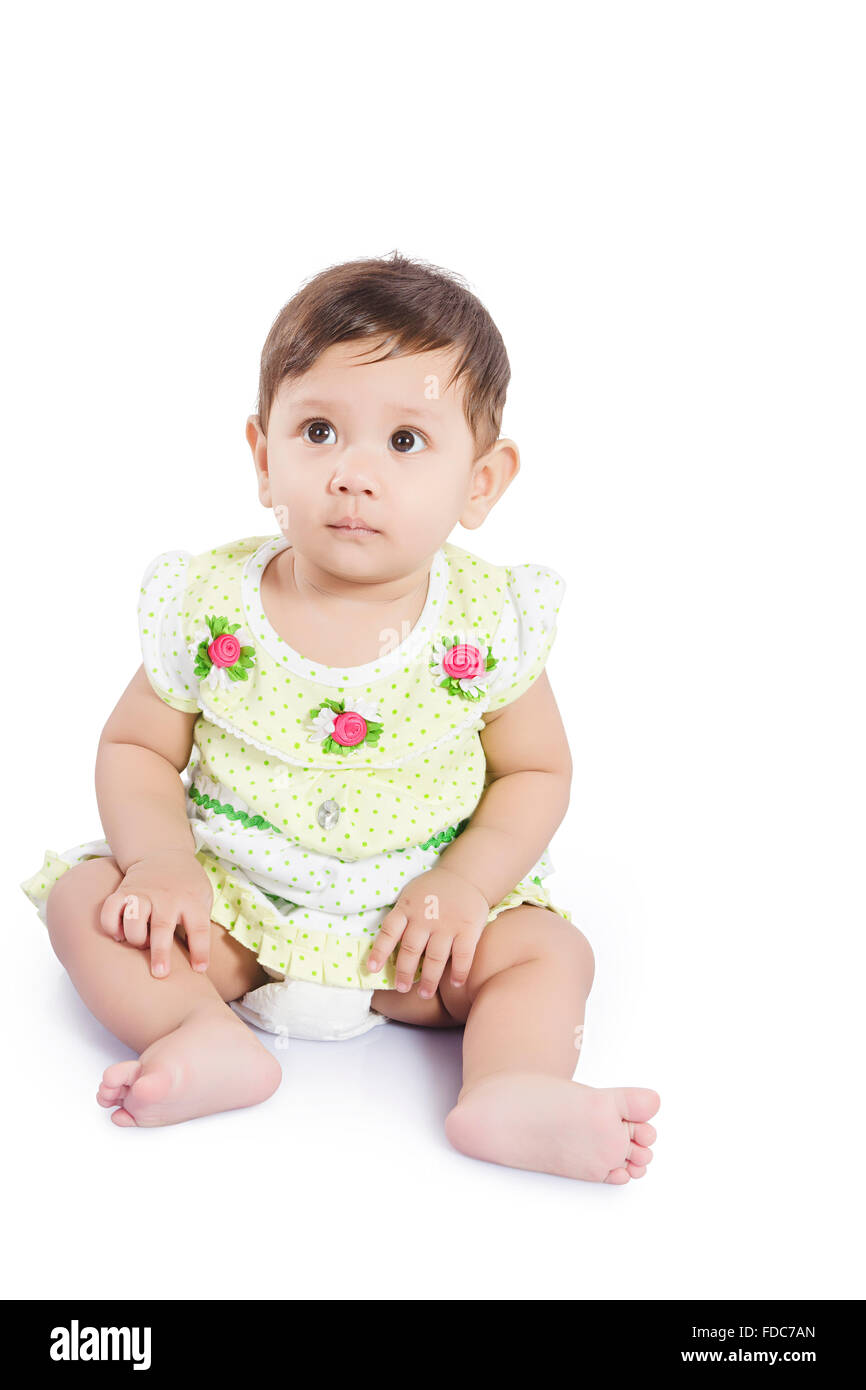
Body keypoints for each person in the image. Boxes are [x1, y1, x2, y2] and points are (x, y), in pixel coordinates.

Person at [21, 252, 660, 1181]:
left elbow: (536, 771)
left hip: (419, 937)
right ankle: (199, 1033)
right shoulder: (212, 603)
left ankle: (511, 1086)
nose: (353, 474)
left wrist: (469, 888)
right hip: (235, 919)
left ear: (481, 481)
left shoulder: (486, 623)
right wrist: (163, 866)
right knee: (88, 899)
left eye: (405, 442)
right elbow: (135, 748)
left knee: (549, 951)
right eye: (318, 430)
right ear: (263, 455)